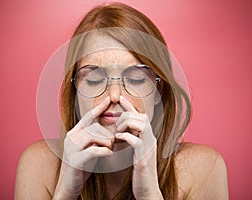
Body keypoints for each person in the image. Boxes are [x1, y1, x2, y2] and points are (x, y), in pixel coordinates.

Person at [14, 2, 229, 200]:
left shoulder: (204, 169)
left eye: (135, 79)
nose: (114, 95)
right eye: (95, 79)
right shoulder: (38, 165)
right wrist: (66, 192)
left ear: (158, 90)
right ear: (75, 90)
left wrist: (149, 193)